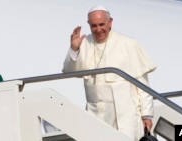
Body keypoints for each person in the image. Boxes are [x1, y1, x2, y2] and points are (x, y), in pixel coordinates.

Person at [62, 5, 156, 141]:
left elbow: (142, 84)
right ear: (88, 25)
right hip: (95, 111)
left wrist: (147, 114)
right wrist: (74, 49)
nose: (98, 30)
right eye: (94, 26)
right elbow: (70, 71)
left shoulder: (128, 44)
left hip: (124, 111)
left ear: (110, 22)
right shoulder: (85, 43)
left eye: (101, 24)